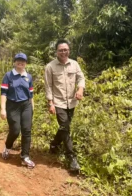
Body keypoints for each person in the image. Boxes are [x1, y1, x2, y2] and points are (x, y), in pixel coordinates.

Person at [44, 39, 85, 172]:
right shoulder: (50, 67)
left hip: (72, 102)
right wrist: (50, 103)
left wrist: (80, 89)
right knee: (65, 127)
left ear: (69, 50)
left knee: (64, 127)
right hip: (58, 102)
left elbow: (81, 78)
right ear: (56, 51)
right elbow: (48, 86)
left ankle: (54, 144)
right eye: (60, 50)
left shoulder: (74, 64)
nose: (63, 52)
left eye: (65, 50)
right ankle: (71, 158)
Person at [0, 53, 35, 168]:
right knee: (15, 130)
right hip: (12, 105)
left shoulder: (28, 77)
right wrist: (3, 109)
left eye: (23, 61)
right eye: (18, 60)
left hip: (26, 106)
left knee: (26, 130)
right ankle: (7, 147)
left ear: (26, 63)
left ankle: (25, 156)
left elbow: (31, 94)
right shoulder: (8, 75)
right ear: (14, 62)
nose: (21, 63)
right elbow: (4, 93)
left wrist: (32, 108)